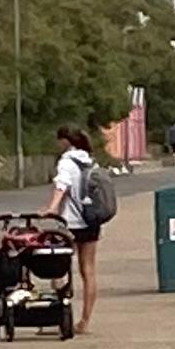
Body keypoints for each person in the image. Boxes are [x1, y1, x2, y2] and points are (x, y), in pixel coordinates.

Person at [50, 125, 109, 332]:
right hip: (91, 221)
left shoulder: (66, 162)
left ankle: (60, 311)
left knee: (56, 268)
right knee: (88, 271)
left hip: (71, 223)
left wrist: (51, 208)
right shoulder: (89, 160)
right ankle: (85, 321)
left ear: (65, 141)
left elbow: (62, 186)